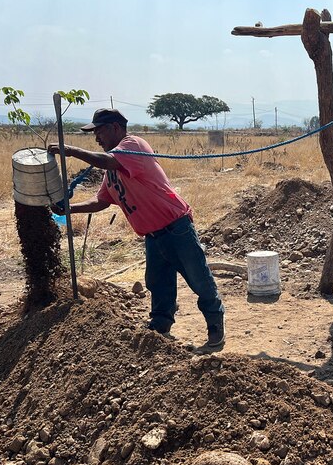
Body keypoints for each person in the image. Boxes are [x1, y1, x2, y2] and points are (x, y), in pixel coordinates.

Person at [47, 108, 225, 350]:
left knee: (199, 279)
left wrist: (71, 151)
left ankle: (215, 328)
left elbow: (107, 160)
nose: (97, 138)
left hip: (176, 228)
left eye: (99, 131)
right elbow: (101, 201)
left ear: (116, 128)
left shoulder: (133, 146)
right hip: (152, 235)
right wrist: (69, 209)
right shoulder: (111, 170)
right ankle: (160, 326)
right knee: (157, 283)